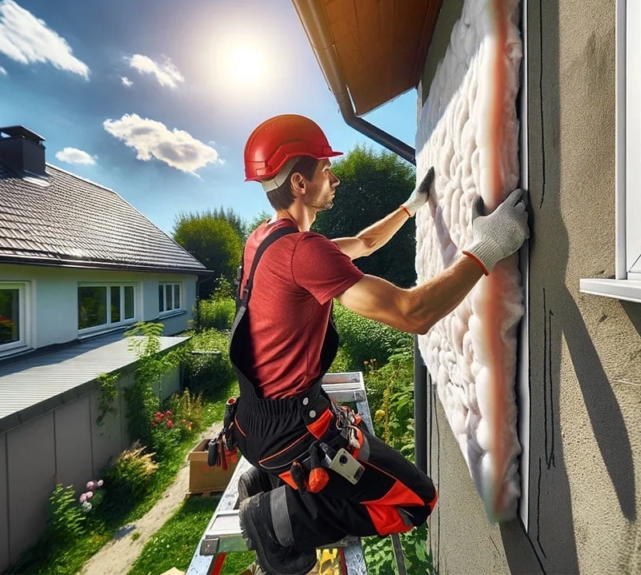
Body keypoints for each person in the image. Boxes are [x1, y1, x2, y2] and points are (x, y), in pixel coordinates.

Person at [223, 114, 530, 575]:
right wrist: (489, 247)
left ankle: (265, 481)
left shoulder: (265, 240)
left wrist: (411, 206)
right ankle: (272, 519)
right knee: (415, 501)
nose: (336, 176)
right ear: (301, 183)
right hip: (294, 432)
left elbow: (363, 242)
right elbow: (413, 314)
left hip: (254, 421)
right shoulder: (305, 253)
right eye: (327, 169)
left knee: (366, 482)